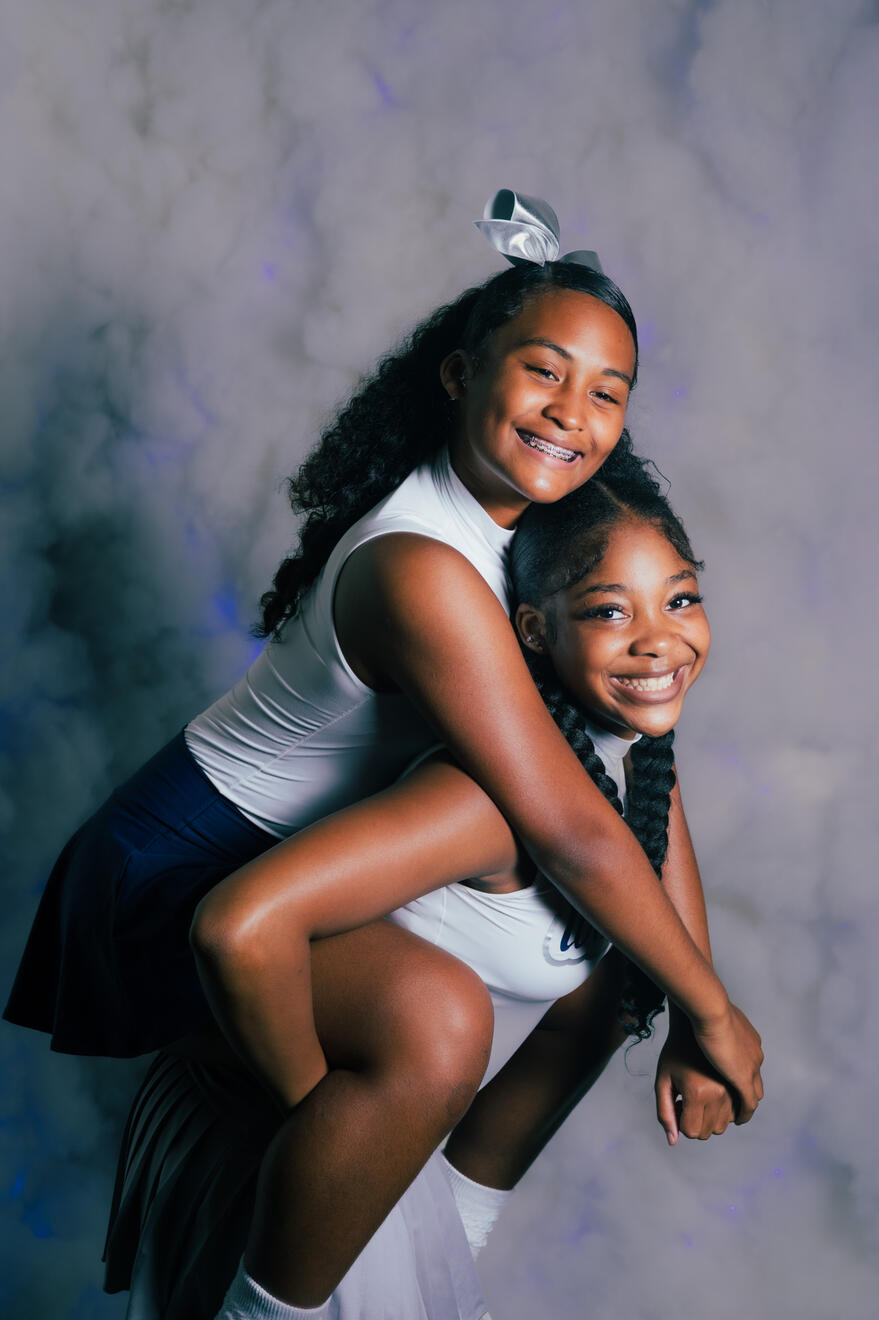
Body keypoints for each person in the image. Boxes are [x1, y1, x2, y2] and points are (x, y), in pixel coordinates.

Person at [4, 192, 762, 1312]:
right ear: (459, 374)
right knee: (440, 1014)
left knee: (613, 952)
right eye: (544, 372)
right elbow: (568, 823)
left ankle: (455, 1224)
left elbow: (643, 763)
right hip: (175, 878)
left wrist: (689, 996)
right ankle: (329, 1260)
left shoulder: (553, 533)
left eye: (608, 391)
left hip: (299, 867)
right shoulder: (422, 567)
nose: (572, 413)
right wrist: (713, 1013)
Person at [106, 460, 741, 1320]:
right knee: (445, 1013)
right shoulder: (484, 804)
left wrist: (696, 1021)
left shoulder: (624, 770)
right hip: (270, 1136)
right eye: (607, 610)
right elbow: (238, 927)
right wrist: (318, 1118)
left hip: (376, 1156)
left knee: (607, 980)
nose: (658, 640)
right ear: (532, 629)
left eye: (680, 599)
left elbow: (657, 852)